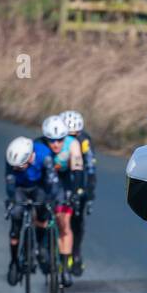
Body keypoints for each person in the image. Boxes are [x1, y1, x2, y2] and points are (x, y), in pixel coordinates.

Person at [4, 135, 61, 286]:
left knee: (43, 210)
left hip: (39, 186)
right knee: (16, 216)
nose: (15, 168)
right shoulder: (12, 158)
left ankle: (41, 246)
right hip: (20, 188)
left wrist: (51, 199)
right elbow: (10, 184)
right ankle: (14, 261)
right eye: (14, 166)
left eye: (19, 166)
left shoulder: (44, 156)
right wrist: (11, 200)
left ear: (30, 157)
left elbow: (52, 182)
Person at [40, 114, 83, 288]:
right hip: (44, 180)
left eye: (60, 140)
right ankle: (39, 245)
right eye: (52, 140)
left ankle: (65, 267)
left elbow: (78, 169)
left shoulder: (73, 144)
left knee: (64, 223)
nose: (56, 144)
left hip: (65, 180)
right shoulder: (39, 145)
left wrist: (75, 193)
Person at [60, 109, 95, 277]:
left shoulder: (84, 141)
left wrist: (88, 194)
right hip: (60, 181)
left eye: (75, 135)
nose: (70, 139)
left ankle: (76, 254)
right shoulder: (55, 140)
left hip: (79, 180)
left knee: (77, 222)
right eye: (67, 135)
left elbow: (90, 168)